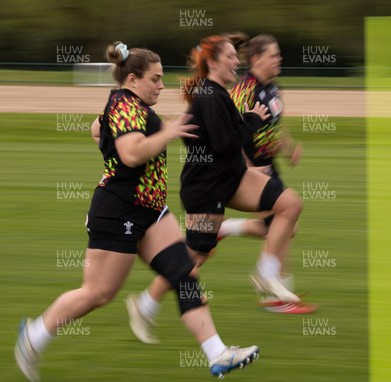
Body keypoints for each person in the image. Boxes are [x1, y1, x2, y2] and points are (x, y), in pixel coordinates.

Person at [14, 42, 259, 382]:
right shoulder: (127, 105)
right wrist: (168, 132)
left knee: (184, 275)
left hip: (151, 210)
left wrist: (135, 131)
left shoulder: (128, 105)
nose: (161, 86)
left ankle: (217, 353)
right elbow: (131, 154)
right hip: (118, 211)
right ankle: (35, 334)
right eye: (155, 79)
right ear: (132, 79)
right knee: (98, 293)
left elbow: (96, 129)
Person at [125, 35, 305, 344]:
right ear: (213, 63)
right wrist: (251, 120)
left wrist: (257, 130)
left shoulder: (218, 93)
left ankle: (266, 274)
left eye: (238, 57)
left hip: (231, 177)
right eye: (231, 57)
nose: (238, 62)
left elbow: (224, 137)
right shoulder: (210, 96)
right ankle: (144, 304)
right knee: (194, 256)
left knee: (290, 204)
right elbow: (226, 142)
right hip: (205, 189)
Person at [219, 33, 315, 314]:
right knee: (285, 223)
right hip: (251, 170)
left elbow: (275, 126)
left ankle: (276, 292)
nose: (279, 59)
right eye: (274, 55)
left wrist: (288, 147)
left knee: (286, 227)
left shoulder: (273, 88)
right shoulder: (243, 91)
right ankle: (276, 293)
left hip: (269, 166)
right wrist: (247, 167)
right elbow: (229, 134)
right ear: (257, 59)